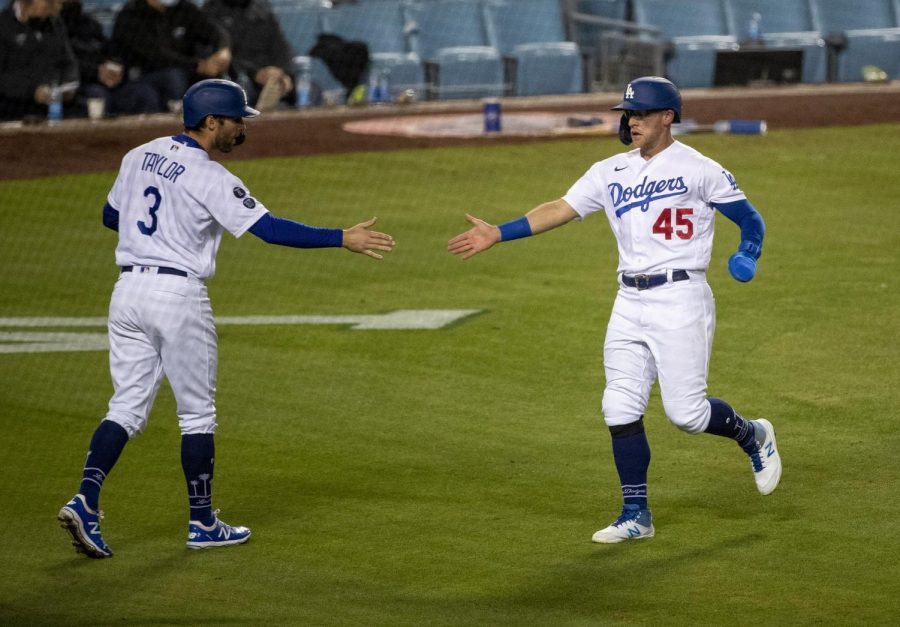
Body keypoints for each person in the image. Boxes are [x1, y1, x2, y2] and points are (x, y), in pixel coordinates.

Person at [57, 78, 395, 558]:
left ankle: (86, 499)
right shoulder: (210, 177)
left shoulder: (139, 154)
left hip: (127, 292)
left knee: (126, 406)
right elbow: (271, 230)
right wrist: (342, 237)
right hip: (176, 295)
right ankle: (202, 523)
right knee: (197, 414)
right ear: (211, 122)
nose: (243, 128)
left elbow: (112, 217)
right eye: (238, 120)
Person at [448, 76, 782, 543]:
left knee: (686, 414)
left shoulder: (699, 167)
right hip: (628, 300)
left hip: (680, 297)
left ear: (668, 117)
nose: (632, 120)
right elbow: (561, 207)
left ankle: (753, 435)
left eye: (642, 112)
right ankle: (636, 514)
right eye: (629, 112)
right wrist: (498, 232)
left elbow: (750, 218)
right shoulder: (609, 171)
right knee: (618, 405)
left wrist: (748, 252)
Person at [109, 0, 232, 114]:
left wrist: (223, 49)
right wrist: (199, 66)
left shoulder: (184, 9)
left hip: (185, 70)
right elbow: (156, 56)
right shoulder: (130, 15)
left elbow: (215, 31)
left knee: (219, 78)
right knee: (172, 78)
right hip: (139, 78)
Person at [201, 0, 294, 111]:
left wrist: (283, 72)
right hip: (236, 75)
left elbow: (281, 48)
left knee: (310, 89)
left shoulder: (262, 11)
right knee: (243, 86)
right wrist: (256, 73)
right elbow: (222, 57)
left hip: (267, 75)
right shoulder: (212, 11)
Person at [0, 0, 79, 121]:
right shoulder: (4, 24)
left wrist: (69, 85)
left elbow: (69, 62)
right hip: (15, 103)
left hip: (55, 100)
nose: (55, 9)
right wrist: (32, 91)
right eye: (49, 2)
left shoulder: (55, 23)